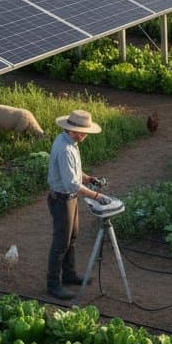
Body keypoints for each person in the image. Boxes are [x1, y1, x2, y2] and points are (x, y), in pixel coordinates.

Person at [46, 108, 104, 299]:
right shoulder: (64, 149)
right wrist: (96, 196)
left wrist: (87, 178)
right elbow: (71, 183)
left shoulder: (70, 142)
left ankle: (69, 275)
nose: (86, 136)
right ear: (77, 131)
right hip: (62, 199)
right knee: (61, 243)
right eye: (85, 133)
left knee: (72, 237)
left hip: (69, 198)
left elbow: (73, 173)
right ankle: (53, 284)